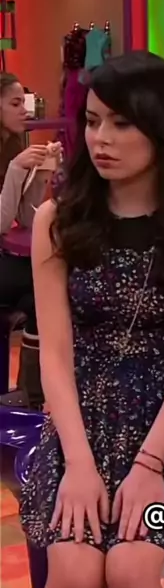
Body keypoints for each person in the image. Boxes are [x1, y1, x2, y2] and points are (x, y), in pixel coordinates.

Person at [20, 51, 164, 588]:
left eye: (121, 123)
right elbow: (55, 354)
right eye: (93, 122)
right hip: (80, 418)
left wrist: (149, 464)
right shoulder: (59, 220)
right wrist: (78, 463)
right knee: (74, 576)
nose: (101, 140)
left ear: (161, 128)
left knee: (130, 574)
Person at [0, 72, 61, 408]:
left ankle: (30, 395)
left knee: (45, 293)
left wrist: (43, 173)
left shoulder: (13, 144)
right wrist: (14, 170)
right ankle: (32, 395)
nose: (24, 110)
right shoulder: (11, 157)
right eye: (14, 103)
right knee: (45, 284)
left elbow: (25, 217)